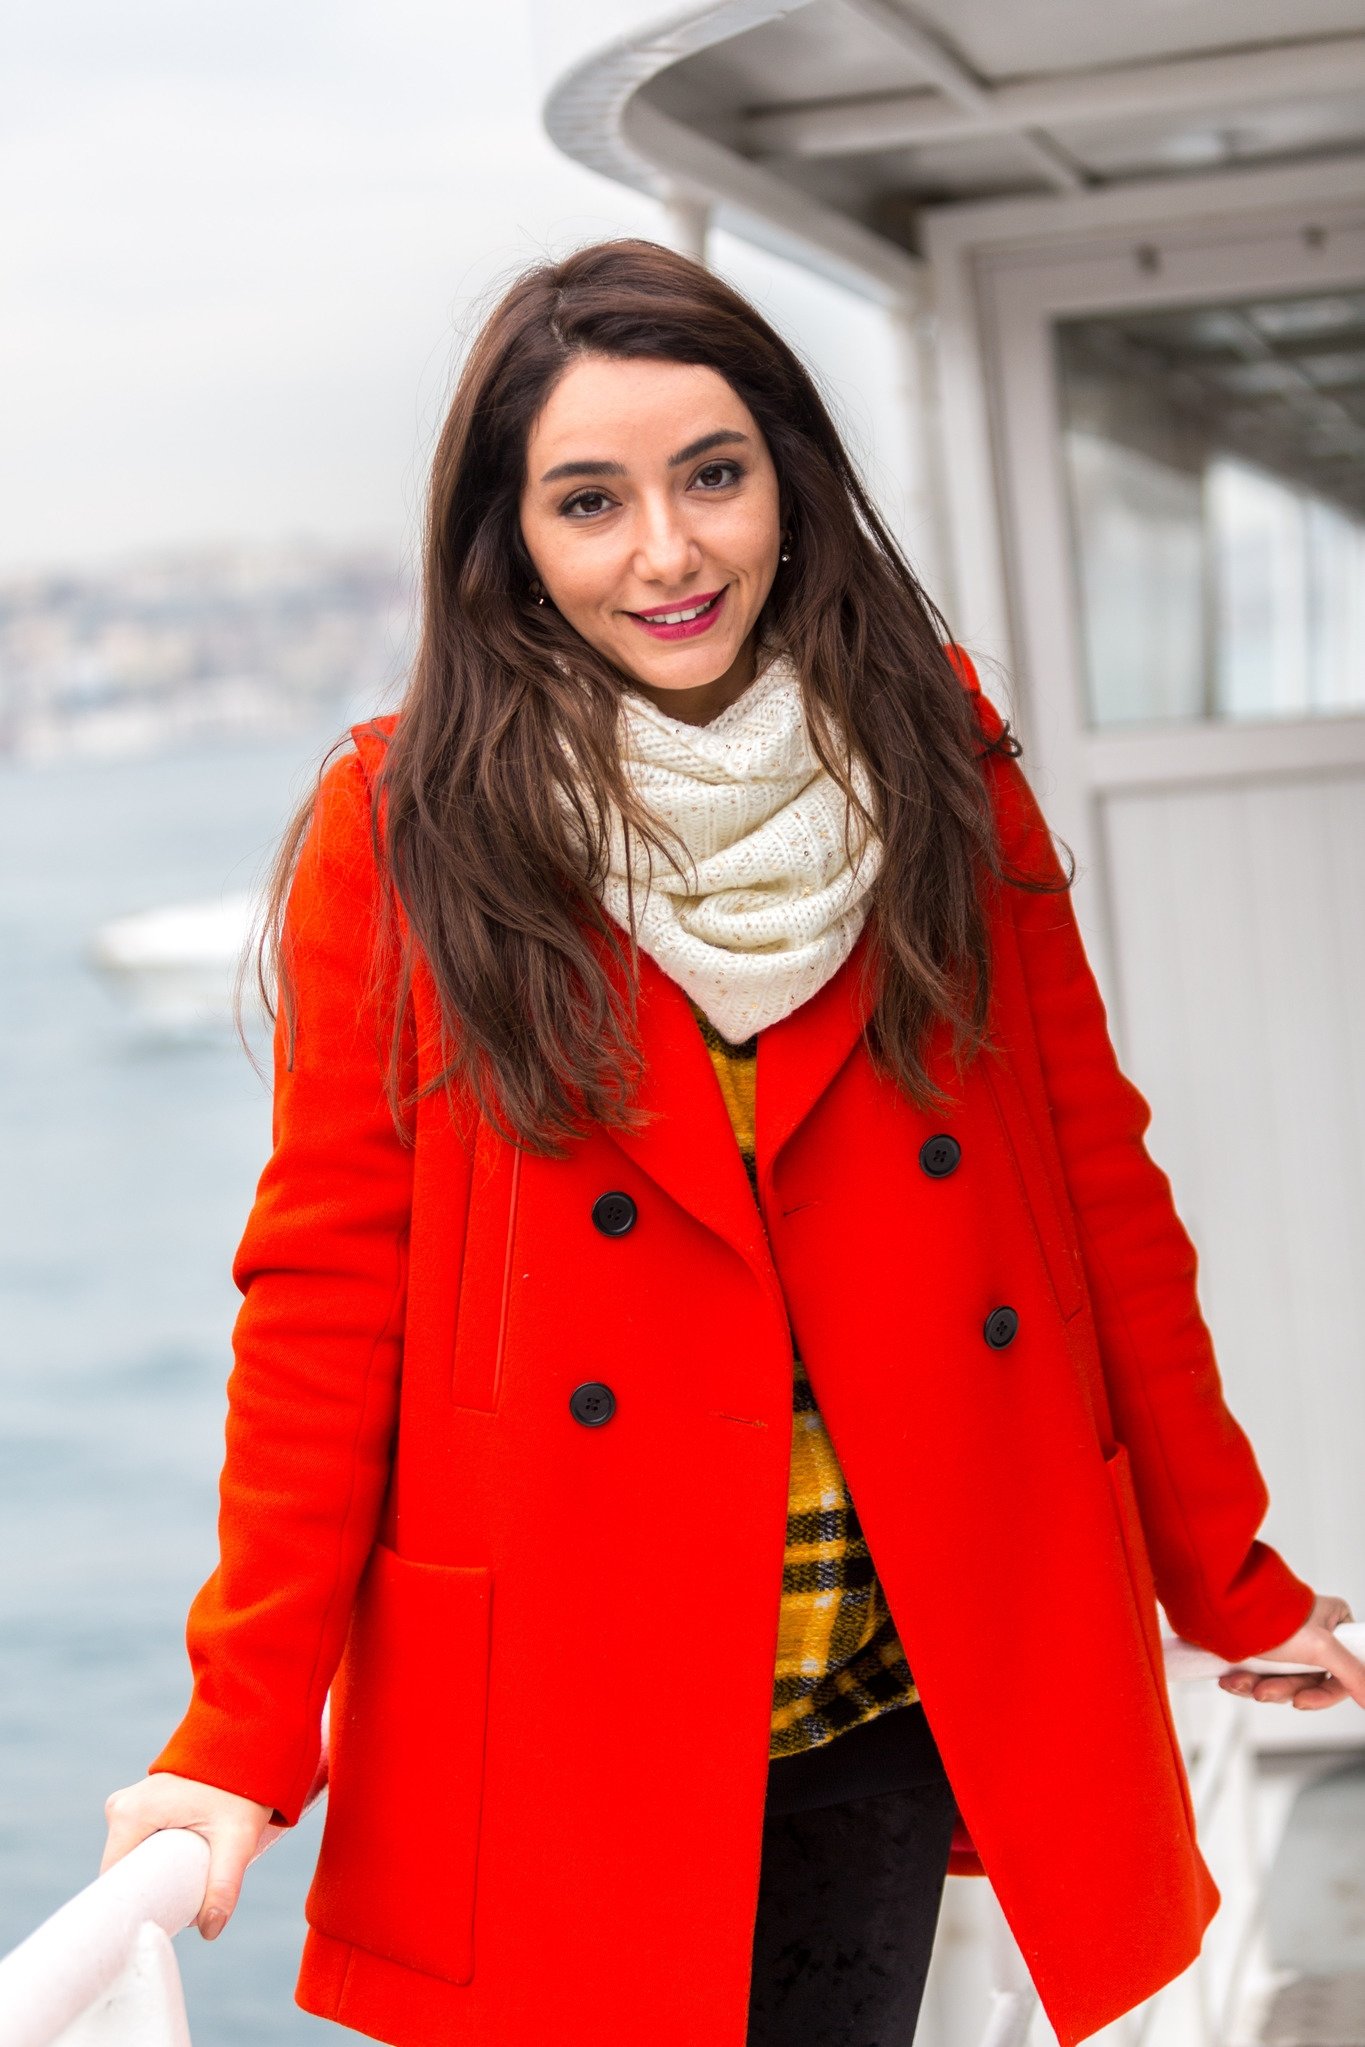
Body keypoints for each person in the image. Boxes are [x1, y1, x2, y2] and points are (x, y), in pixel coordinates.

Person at [100, 237, 1365, 2047]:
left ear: (786, 478)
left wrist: (1226, 1573)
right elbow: (327, 1295)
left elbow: (1093, 1186)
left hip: (874, 1666)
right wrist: (238, 1732)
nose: (666, 553)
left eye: (711, 475)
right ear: (508, 537)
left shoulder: (936, 761)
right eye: (588, 501)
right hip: (571, 1686)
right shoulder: (410, 823)